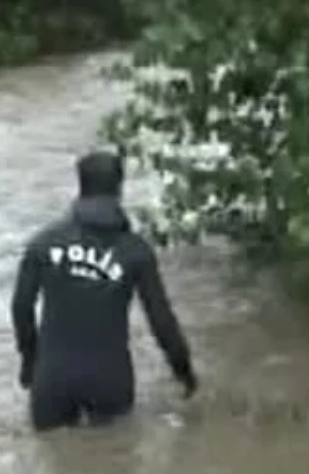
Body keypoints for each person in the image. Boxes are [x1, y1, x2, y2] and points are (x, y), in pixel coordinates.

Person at [10, 150, 198, 430]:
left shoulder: (43, 243)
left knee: (53, 461)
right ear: (119, 189)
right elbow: (161, 320)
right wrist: (183, 372)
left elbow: (21, 307)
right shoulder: (135, 251)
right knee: (115, 461)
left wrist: (30, 361)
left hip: (52, 380)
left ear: (81, 187)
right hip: (109, 380)